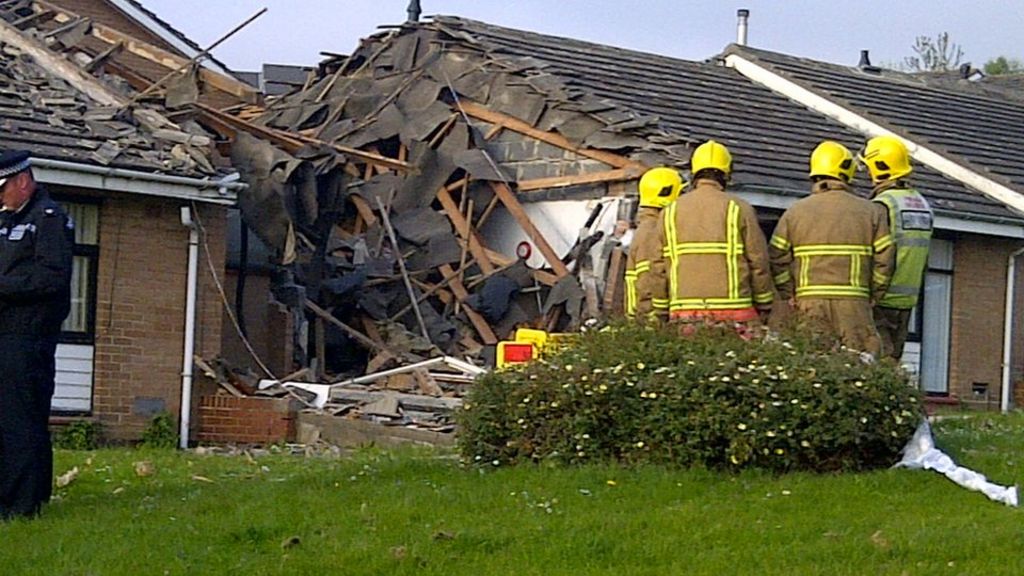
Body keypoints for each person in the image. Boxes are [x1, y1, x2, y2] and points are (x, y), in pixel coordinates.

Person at [0, 150, 74, 520]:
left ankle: (22, 504)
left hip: (28, 335)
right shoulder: (6, 219)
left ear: (22, 181)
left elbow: (51, 277)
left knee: (21, 419)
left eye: (3, 188)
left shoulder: (48, 219)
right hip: (5, 332)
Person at [768, 141, 894, 356]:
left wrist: (789, 293)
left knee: (811, 362)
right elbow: (886, 260)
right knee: (858, 363)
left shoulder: (794, 212)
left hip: (808, 303)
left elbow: (777, 258)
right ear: (847, 172)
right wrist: (875, 294)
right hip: (855, 304)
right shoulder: (872, 212)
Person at [653, 140, 774, 326]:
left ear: (694, 173)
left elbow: (658, 268)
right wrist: (764, 304)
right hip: (736, 314)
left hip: (684, 314)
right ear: (727, 174)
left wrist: (661, 311)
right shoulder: (739, 208)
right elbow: (758, 262)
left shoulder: (669, 212)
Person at [861, 135, 934, 360]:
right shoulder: (922, 204)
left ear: (878, 167)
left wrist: (872, 292)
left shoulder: (883, 205)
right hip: (907, 300)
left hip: (881, 299)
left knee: (877, 362)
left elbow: (878, 253)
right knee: (892, 360)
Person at [624, 167, 683, 321]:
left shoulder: (650, 227)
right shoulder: (651, 231)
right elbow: (647, 282)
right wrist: (655, 319)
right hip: (650, 319)